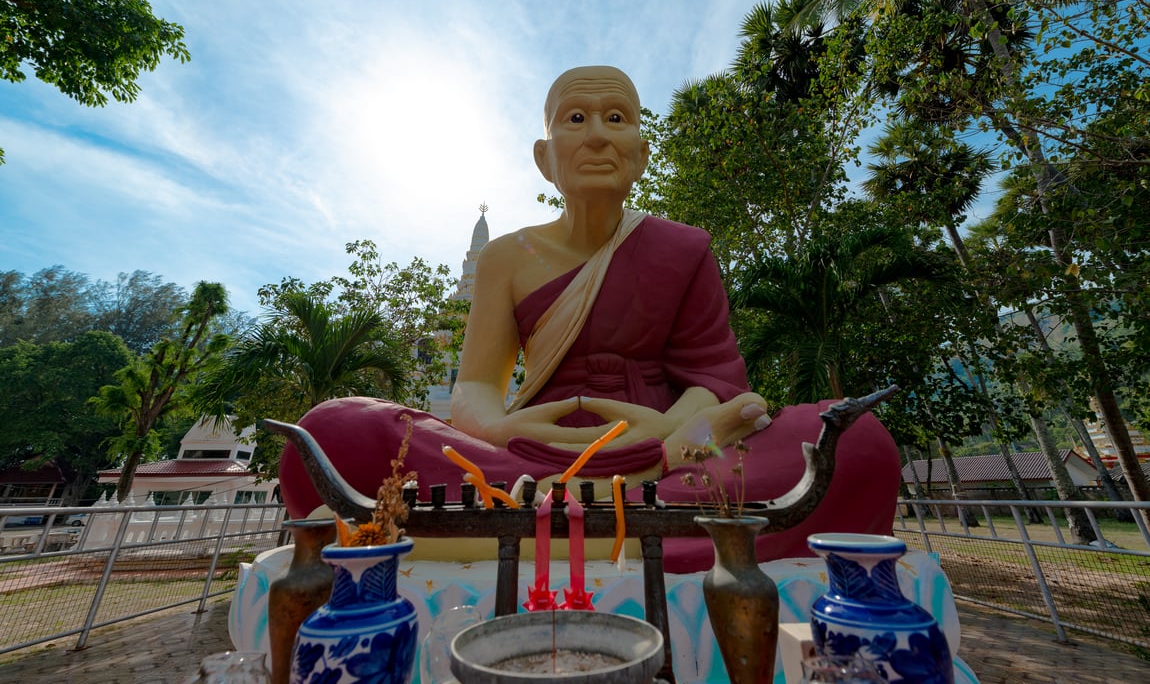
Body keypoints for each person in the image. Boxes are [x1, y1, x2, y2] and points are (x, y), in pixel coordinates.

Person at [278, 66, 901, 572]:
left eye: (617, 118)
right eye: (576, 118)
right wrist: (502, 433)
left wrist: (673, 440)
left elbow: (717, 383)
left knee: (859, 443)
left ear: (640, 153)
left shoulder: (684, 249)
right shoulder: (506, 258)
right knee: (332, 434)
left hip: (674, 453)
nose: (598, 134)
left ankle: (502, 529)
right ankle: (666, 533)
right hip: (526, 454)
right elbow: (473, 393)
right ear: (546, 156)